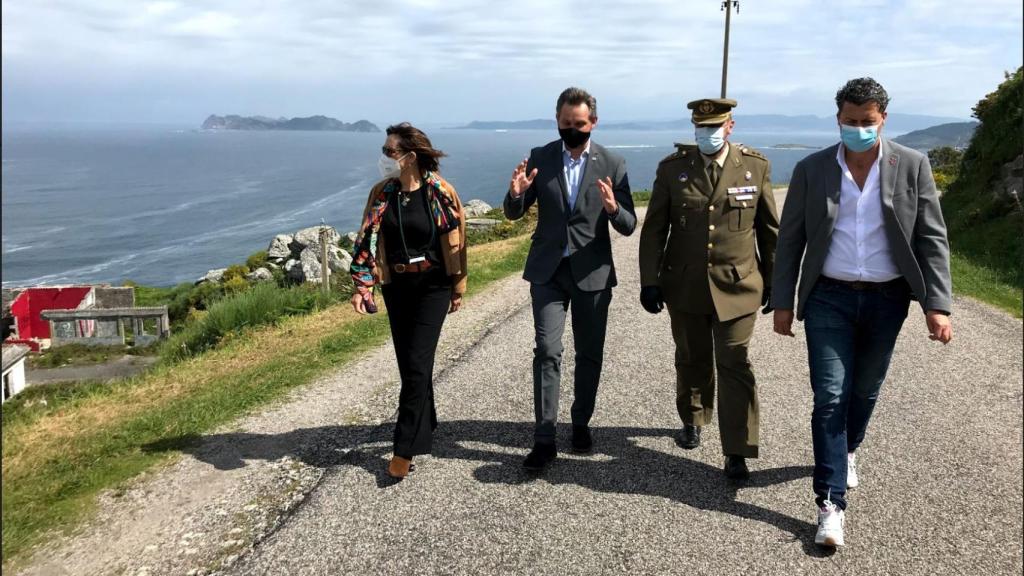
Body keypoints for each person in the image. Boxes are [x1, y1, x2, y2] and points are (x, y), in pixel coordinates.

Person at [771, 77, 953, 547]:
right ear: (838, 119)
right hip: (828, 296)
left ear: (883, 119)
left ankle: (849, 448)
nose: (857, 129)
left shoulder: (912, 165)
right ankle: (830, 505)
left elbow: (932, 238)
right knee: (830, 395)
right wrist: (784, 302)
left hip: (887, 297)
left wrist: (938, 304)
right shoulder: (812, 169)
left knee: (865, 389)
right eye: (849, 122)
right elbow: (790, 239)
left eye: (866, 122)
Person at [638, 98, 779, 480]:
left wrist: (777, 284)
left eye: (714, 127)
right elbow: (654, 230)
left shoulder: (754, 167)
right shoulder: (673, 170)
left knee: (734, 361)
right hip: (684, 285)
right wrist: (649, 281)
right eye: (700, 127)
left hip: (738, 286)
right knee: (691, 357)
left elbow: (769, 232)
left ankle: (737, 449)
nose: (707, 134)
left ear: (730, 126)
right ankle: (694, 418)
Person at [504, 86, 637, 471]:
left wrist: (613, 209)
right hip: (548, 272)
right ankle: (544, 437)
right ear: (557, 121)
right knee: (547, 350)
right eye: (565, 123)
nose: (572, 129)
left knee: (589, 353)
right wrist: (515, 196)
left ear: (593, 122)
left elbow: (628, 224)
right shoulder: (541, 157)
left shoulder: (613, 163)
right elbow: (514, 211)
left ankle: (580, 422)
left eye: (579, 124)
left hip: (592, 273)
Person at [349, 122, 467, 480]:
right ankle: (426, 421)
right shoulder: (381, 193)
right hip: (396, 287)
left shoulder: (441, 192)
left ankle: (403, 449)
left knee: (417, 366)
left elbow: (458, 242)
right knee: (410, 365)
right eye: (384, 151)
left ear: (410, 157)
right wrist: (363, 285)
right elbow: (366, 240)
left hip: (433, 287)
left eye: (389, 151)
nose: (383, 158)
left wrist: (458, 286)